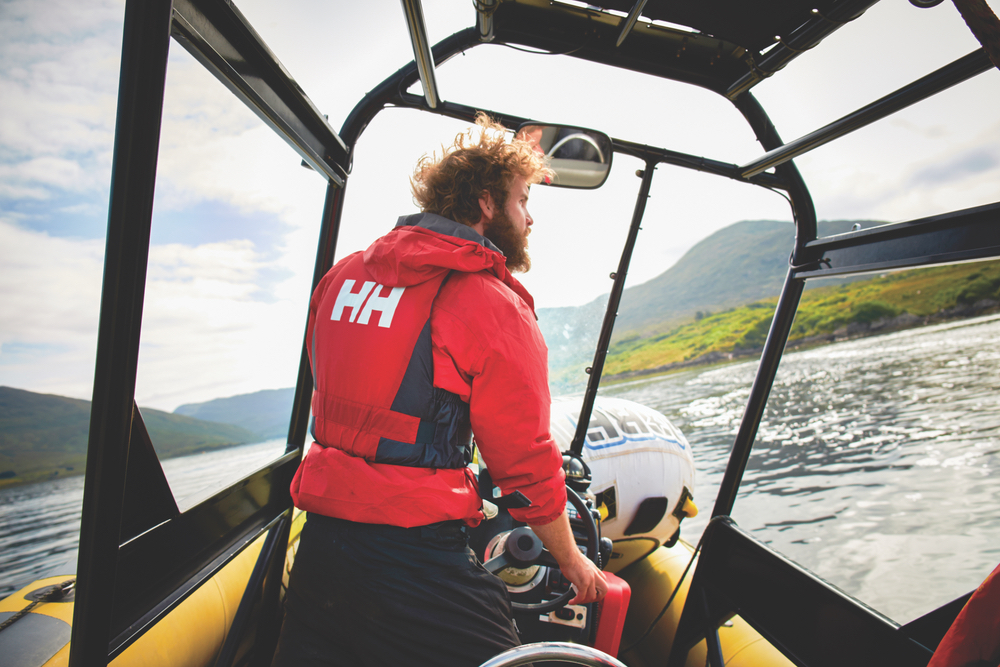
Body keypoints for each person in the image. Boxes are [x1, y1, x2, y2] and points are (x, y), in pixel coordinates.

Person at [270, 114, 608, 667]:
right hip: (413, 560)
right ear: (485, 203)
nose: (530, 218)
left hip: (321, 551)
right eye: (524, 200)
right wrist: (571, 561)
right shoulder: (490, 305)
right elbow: (524, 464)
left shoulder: (339, 280)